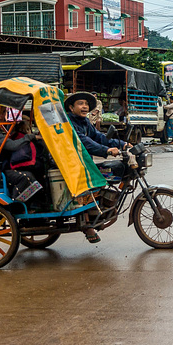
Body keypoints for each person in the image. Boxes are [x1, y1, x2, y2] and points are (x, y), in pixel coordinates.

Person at [65, 92, 131, 243]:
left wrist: (122, 144)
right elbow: (84, 142)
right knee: (90, 183)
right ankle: (87, 224)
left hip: (82, 162)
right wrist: (106, 151)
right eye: (80, 104)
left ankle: (102, 209)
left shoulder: (85, 122)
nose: (84, 107)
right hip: (71, 164)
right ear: (71, 107)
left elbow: (99, 137)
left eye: (86, 104)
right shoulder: (69, 123)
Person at [0, 106, 44, 204]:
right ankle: (16, 205)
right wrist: (30, 137)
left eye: (4, 113)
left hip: (2, 168)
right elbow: (10, 145)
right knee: (26, 177)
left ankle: (36, 205)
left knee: (36, 169)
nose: (2, 116)